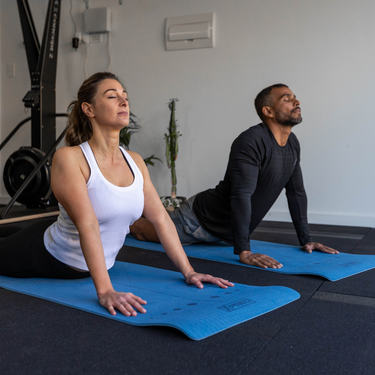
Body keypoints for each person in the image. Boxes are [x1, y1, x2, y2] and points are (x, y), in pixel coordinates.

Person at [0, 72, 233, 317]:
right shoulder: (70, 158)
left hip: (58, 234)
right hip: (53, 255)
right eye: (112, 96)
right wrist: (105, 291)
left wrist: (189, 271)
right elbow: (88, 224)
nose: (123, 101)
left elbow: (162, 219)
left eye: (125, 96)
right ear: (88, 109)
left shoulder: (135, 162)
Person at [130, 83, 339, 269]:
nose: (296, 101)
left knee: (158, 217)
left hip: (224, 234)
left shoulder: (292, 143)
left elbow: (296, 193)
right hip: (197, 222)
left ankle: (155, 210)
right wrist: (244, 251)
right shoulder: (251, 140)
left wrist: (306, 239)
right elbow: (241, 195)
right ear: (268, 111)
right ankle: (124, 214)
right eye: (287, 99)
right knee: (139, 230)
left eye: (294, 97)